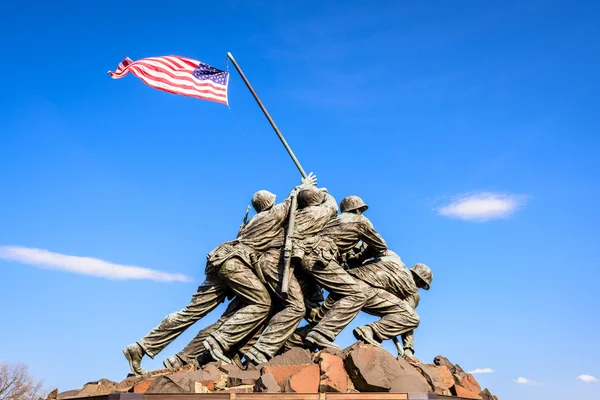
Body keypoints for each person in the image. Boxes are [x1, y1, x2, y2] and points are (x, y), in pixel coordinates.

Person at [122, 175, 315, 375]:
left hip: (219, 261)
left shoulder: (252, 222)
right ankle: (219, 342)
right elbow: (292, 200)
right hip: (235, 264)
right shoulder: (272, 215)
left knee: (191, 312)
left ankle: (141, 346)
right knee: (262, 304)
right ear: (270, 202)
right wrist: (304, 186)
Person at [244, 186, 338, 364]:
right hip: (276, 263)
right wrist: (325, 193)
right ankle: (261, 350)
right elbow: (332, 207)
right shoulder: (316, 214)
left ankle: (253, 347)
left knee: (282, 307)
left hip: (270, 263)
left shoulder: (288, 218)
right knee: (296, 307)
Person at [295, 195, 388, 348]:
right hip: (319, 257)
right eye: (361, 210)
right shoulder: (361, 221)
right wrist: (358, 259)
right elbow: (380, 245)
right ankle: (322, 333)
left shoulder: (334, 220)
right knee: (357, 295)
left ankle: (311, 322)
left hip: (304, 255)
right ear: (358, 209)